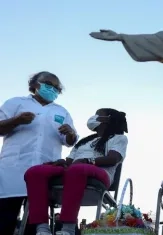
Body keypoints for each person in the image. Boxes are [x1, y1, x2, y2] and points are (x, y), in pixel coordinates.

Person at [24, 108, 128, 235]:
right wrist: (63, 162)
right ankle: (42, 229)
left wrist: (88, 161)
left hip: (100, 173)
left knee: (76, 169)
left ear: (108, 119)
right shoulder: (84, 141)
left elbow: (113, 158)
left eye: (97, 115)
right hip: (74, 170)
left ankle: (68, 229)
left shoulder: (119, 138)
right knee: (35, 172)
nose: (93, 117)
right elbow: (70, 161)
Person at [0, 71, 77, 235]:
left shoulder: (62, 112)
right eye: (48, 84)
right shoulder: (16, 103)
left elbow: (71, 141)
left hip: (44, 171)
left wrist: (70, 133)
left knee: (35, 224)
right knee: (4, 217)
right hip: (13, 169)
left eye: (57, 87)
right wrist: (17, 120)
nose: (53, 89)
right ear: (35, 84)